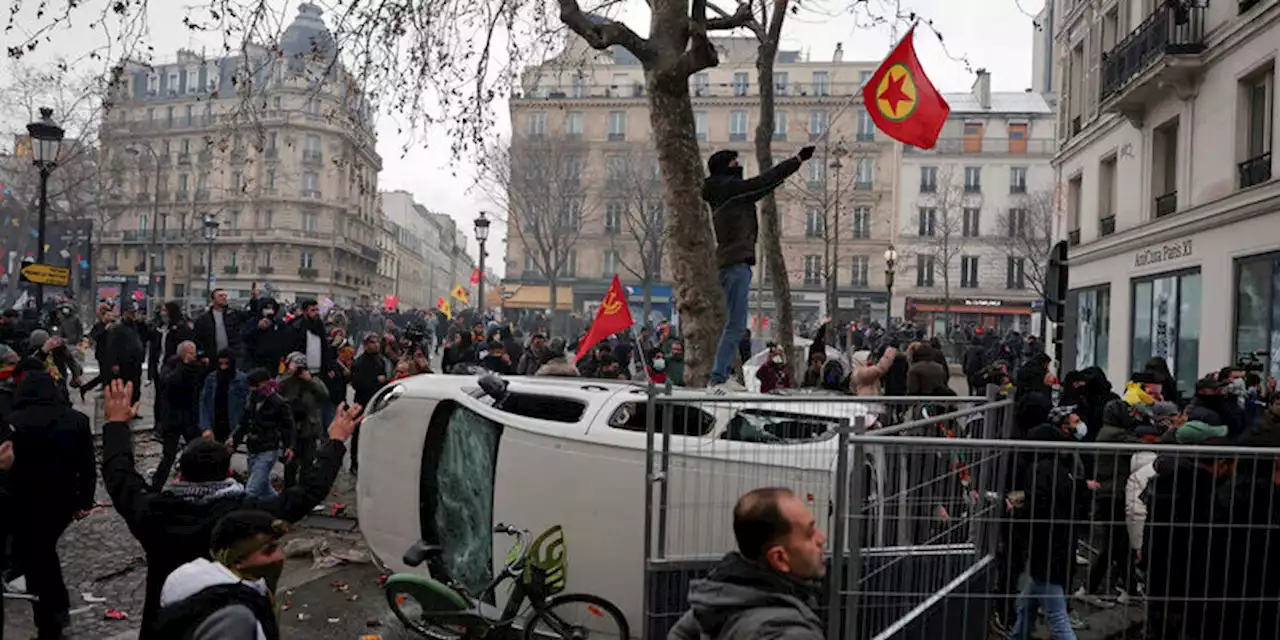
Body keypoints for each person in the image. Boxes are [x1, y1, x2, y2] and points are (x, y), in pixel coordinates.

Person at [100, 379, 360, 638]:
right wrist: (336, 440)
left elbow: (119, 476)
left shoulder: (154, 512)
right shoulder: (245, 514)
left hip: (165, 628)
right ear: (226, 473)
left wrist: (115, 425)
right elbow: (308, 491)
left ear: (181, 476)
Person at [703, 146, 814, 389]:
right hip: (736, 264)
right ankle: (718, 376)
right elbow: (764, 181)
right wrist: (795, 161)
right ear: (725, 167)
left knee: (732, 324)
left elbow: (764, 186)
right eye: (734, 162)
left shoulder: (723, 192)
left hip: (728, 263)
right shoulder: (730, 190)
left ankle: (719, 374)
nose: (737, 165)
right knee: (736, 325)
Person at [5, 367, 96, 639]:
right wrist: (85, 500)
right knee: (42, 554)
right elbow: (88, 466)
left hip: (25, 500)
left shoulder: (13, 422)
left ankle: (51, 618)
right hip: (62, 500)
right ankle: (54, 615)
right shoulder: (77, 420)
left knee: (38, 557)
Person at [668, 487, 825, 640]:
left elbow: (680, 633)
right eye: (809, 534)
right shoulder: (789, 632)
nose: (822, 537)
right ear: (779, 558)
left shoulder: (722, 597)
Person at [1012, 406, 1097, 640]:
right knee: (1027, 603)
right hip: (1059, 544)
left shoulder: (1040, 470)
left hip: (1046, 546)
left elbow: (1038, 505)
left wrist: (1018, 512)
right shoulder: (1060, 469)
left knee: (1057, 616)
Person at [155, 510, 287, 639]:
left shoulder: (248, 594)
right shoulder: (234, 618)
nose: (280, 557)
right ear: (237, 560)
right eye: (269, 551)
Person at [229, 369, 296, 498]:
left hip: (268, 448)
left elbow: (288, 426)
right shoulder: (251, 400)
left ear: (264, 384)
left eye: (254, 386)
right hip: (253, 447)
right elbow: (244, 423)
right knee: (263, 486)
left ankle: (243, 512)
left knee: (252, 488)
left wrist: (289, 446)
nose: (252, 389)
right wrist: (234, 439)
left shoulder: (278, 403)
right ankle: (279, 507)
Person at [152, 340, 208, 489]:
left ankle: (198, 481)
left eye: (194, 352)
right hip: (173, 417)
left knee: (196, 450)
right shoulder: (171, 365)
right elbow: (169, 383)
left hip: (190, 416)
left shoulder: (196, 367)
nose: (193, 355)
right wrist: (184, 365)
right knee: (168, 455)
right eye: (189, 352)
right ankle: (156, 485)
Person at [277, 352, 329, 489]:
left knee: (308, 463)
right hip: (291, 427)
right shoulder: (285, 379)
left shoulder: (311, 380)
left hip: (308, 427)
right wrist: (289, 373)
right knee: (290, 464)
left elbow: (324, 395)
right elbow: (275, 390)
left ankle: (304, 490)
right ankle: (288, 490)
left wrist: (310, 379)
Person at [349, 333, 389, 475]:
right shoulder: (359, 363)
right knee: (358, 433)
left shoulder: (380, 360)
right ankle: (354, 462)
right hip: (362, 402)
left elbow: (384, 377)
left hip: (377, 401)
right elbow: (357, 384)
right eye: (372, 342)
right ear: (366, 345)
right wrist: (376, 380)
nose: (376, 344)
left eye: (377, 341)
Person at [199, 349, 250, 443]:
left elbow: (246, 406)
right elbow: (204, 403)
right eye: (220, 363)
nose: (223, 367)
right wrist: (206, 427)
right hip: (215, 424)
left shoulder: (242, 380)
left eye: (226, 363)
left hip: (233, 425)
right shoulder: (211, 379)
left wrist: (238, 431)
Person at [193, 288, 252, 365]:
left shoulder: (233, 314)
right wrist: (202, 355)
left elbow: (251, 315)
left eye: (225, 296)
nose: (224, 298)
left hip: (232, 356)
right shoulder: (203, 319)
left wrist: (254, 300)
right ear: (213, 299)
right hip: (212, 358)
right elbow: (197, 339)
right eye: (220, 296)